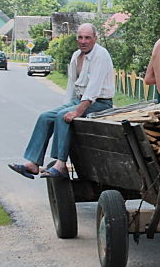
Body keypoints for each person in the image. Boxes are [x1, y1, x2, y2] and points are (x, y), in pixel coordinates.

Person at [8, 23, 114, 179]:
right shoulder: (76, 56)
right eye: (80, 37)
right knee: (45, 117)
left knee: (62, 117)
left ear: (95, 39)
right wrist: (67, 106)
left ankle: (61, 164)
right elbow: (72, 86)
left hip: (100, 103)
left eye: (87, 38)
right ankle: (33, 164)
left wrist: (76, 111)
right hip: (78, 101)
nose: (83, 41)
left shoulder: (101, 55)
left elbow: (93, 89)